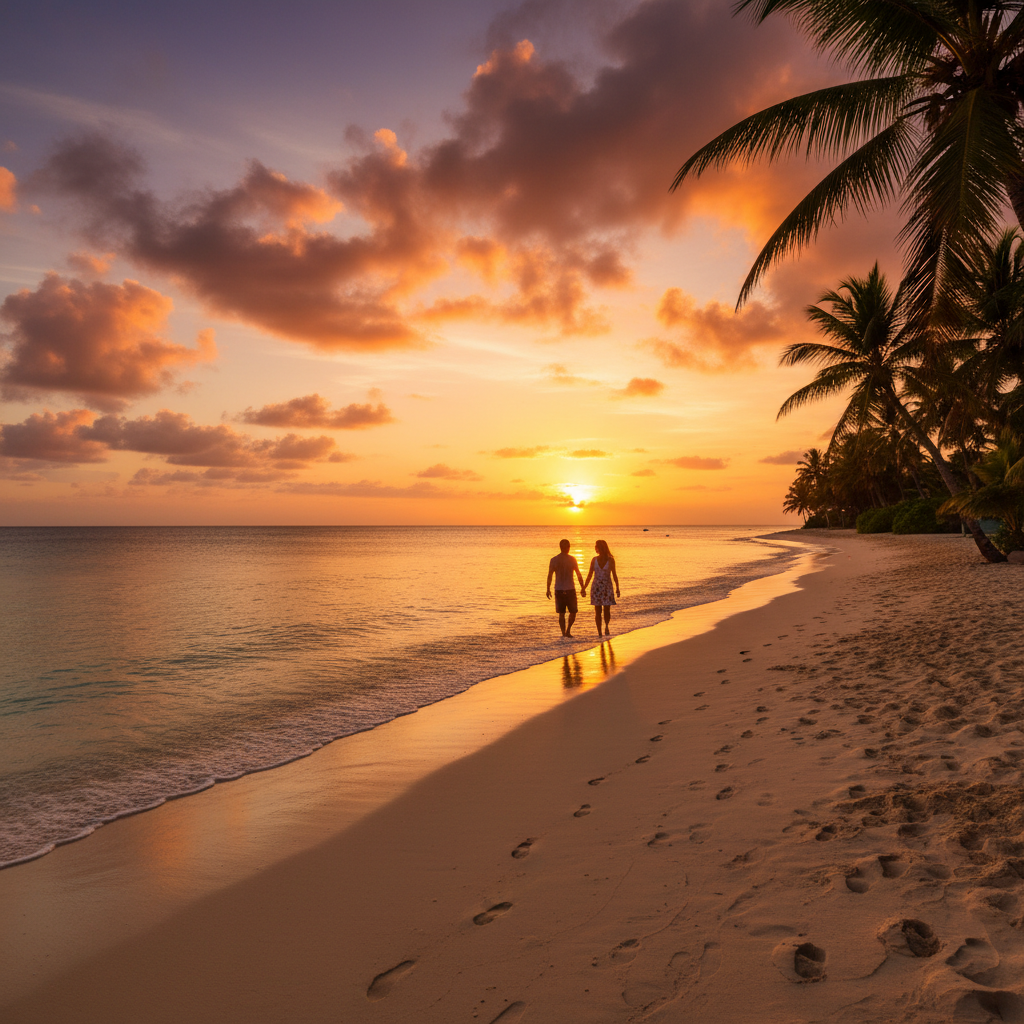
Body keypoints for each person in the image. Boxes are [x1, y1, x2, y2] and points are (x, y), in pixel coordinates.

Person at [546, 539, 585, 638]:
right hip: (568, 589)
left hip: (560, 589)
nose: (568, 548)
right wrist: (582, 587)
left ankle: (565, 632)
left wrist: (548, 589)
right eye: (567, 546)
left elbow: (550, 575)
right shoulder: (569, 559)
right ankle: (566, 632)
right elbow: (578, 574)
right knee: (569, 612)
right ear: (566, 547)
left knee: (564, 613)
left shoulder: (554, 560)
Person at [581, 539, 620, 636]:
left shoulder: (611, 560)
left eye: (596, 546)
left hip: (607, 588)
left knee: (607, 610)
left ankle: (606, 626)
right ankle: (599, 632)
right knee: (597, 611)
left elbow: (614, 574)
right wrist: (584, 587)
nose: (595, 548)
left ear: (600, 548)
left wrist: (617, 588)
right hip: (596, 588)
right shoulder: (594, 560)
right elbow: (590, 574)